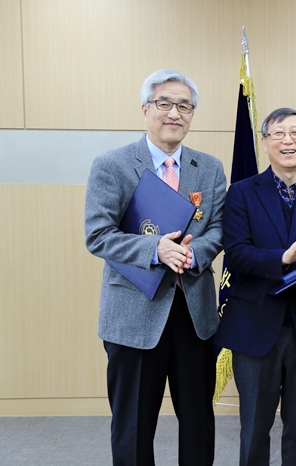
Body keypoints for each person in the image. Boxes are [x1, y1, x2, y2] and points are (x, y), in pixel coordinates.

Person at [85, 69, 226, 466]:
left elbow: (219, 228)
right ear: (145, 109)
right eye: (164, 103)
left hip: (193, 314)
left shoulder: (209, 168)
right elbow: (98, 235)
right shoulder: (112, 165)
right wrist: (156, 249)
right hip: (133, 315)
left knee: (198, 424)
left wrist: (193, 254)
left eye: (184, 106)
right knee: (132, 427)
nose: (174, 113)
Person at [213, 108, 296, 466]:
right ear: (265, 141)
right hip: (253, 328)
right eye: (279, 134)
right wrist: (283, 258)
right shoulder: (241, 193)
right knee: (254, 429)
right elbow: (236, 254)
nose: (288, 141)